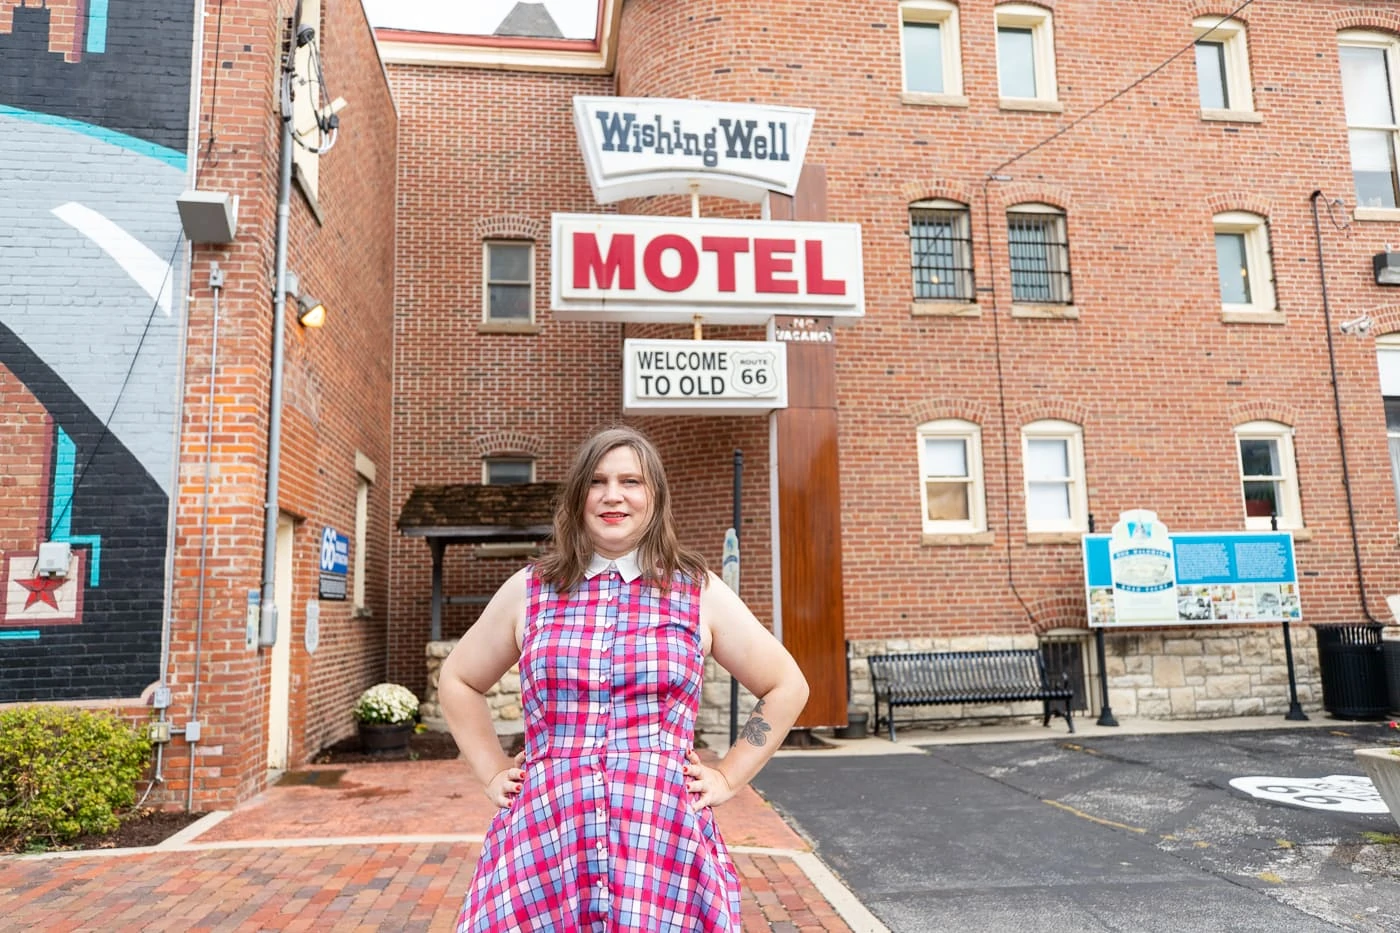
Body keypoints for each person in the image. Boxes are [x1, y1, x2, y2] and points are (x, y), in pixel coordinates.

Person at [439, 425, 810, 932]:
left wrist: (730, 774)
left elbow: (786, 685)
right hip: (546, 838)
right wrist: (490, 770)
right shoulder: (531, 590)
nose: (613, 495)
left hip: (662, 841)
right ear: (577, 497)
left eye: (631, 481)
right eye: (597, 481)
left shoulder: (696, 591)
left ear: (654, 497)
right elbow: (459, 679)